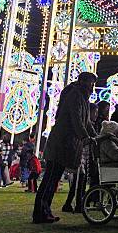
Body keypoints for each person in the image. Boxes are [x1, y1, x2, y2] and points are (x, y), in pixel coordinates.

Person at [32, 72, 97, 224]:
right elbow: (76, 120)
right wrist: (86, 137)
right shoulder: (75, 96)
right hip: (60, 143)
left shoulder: (83, 98)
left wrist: (96, 137)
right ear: (83, 82)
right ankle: (40, 212)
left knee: (53, 180)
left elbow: (86, 122)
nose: (92, 87)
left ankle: (44, 211)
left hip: (66, 144)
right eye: (90, 83)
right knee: (50, 179)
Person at [62, 103, 99, 213]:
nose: (96, 115)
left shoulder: (88, 123)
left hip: (83, 155)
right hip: (80, 154)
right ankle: (78, 204)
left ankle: (70, 203)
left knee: (78, 181)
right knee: (79, 179)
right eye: (94, 112)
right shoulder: (84, 123)